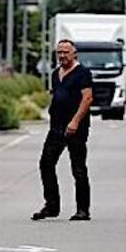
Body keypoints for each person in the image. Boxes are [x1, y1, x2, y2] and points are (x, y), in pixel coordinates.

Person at [32, 39, 94, 221]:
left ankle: (83, 209)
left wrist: (75, 121)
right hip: (56, 127)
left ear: (74, 54)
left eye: (66, 52)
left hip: (76, 128)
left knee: (78, 168)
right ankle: (51, 205)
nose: (62, 56)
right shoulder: (55, 74)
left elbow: (87, 98)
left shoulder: (82, 73)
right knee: (46, 163)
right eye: (59, 52)